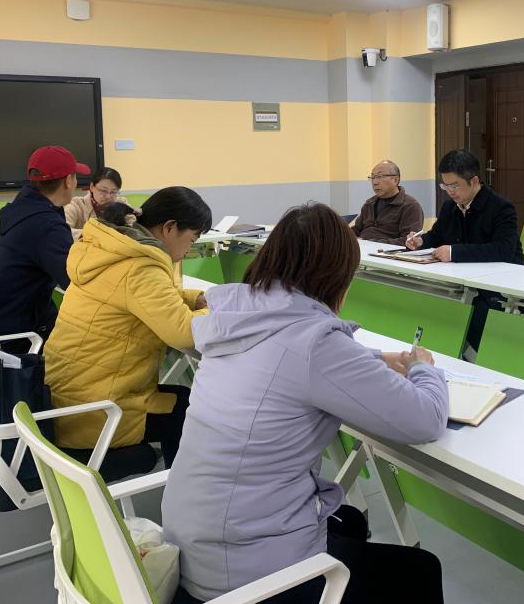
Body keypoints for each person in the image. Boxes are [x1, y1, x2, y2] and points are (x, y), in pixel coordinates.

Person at [164, 202, 448, 604]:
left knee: (348, 520)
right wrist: (423, 369)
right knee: (419, 571)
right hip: (248, 574)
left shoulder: (238, 318)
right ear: (336, 276)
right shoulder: (315, 344)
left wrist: (375, 359)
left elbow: (291, 357)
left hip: (195, 543)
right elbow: (426, 419)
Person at [43, 187, 212, 467]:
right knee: (193, 410)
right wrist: (215, 310)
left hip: (66, 396)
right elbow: (183, 332)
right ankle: (184, 488)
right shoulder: (140, 265)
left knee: (185, 399)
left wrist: (197, 300)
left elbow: (147, 296)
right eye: (191, 240)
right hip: (94, 412)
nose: (188, 251)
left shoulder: (114, 248)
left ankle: (179, 482)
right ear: (170, 228)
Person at [406, 148, 524, 355]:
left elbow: (503, 250)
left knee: (473, 312)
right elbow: (438, 235)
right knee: (427, 299)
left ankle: (478, 358)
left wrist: (454, 252)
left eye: (454, 185)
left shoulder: (501, 208)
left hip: (498, 285)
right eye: (445, 186)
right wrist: (421, 241)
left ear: (474, 181)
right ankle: (445, 354)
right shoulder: (449, 207)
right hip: (462, 282)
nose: (449, 191)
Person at [0, 146, 90, 347]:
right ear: (68, 181)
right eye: (75, 176)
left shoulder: (24, 209)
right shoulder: (46, 225)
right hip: (13, 338)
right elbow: (75, 280)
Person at [352, 160, 424, 246]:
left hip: (387, 252)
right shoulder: (369, 204)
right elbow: (356, 230)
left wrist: (370, 243)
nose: (375, 182)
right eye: (373, 177)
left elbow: (409, 241)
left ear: (395, 180)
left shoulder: (410, 206)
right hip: (362, 249)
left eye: (379, 176)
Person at [64, 166, 126, 240]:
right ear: (92, 187)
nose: (108, 196)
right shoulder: (76, 205)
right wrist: (97, 234)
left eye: (113, 192)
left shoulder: (121, 204)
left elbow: (131, 230)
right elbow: (63, 231)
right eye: (103, 190)